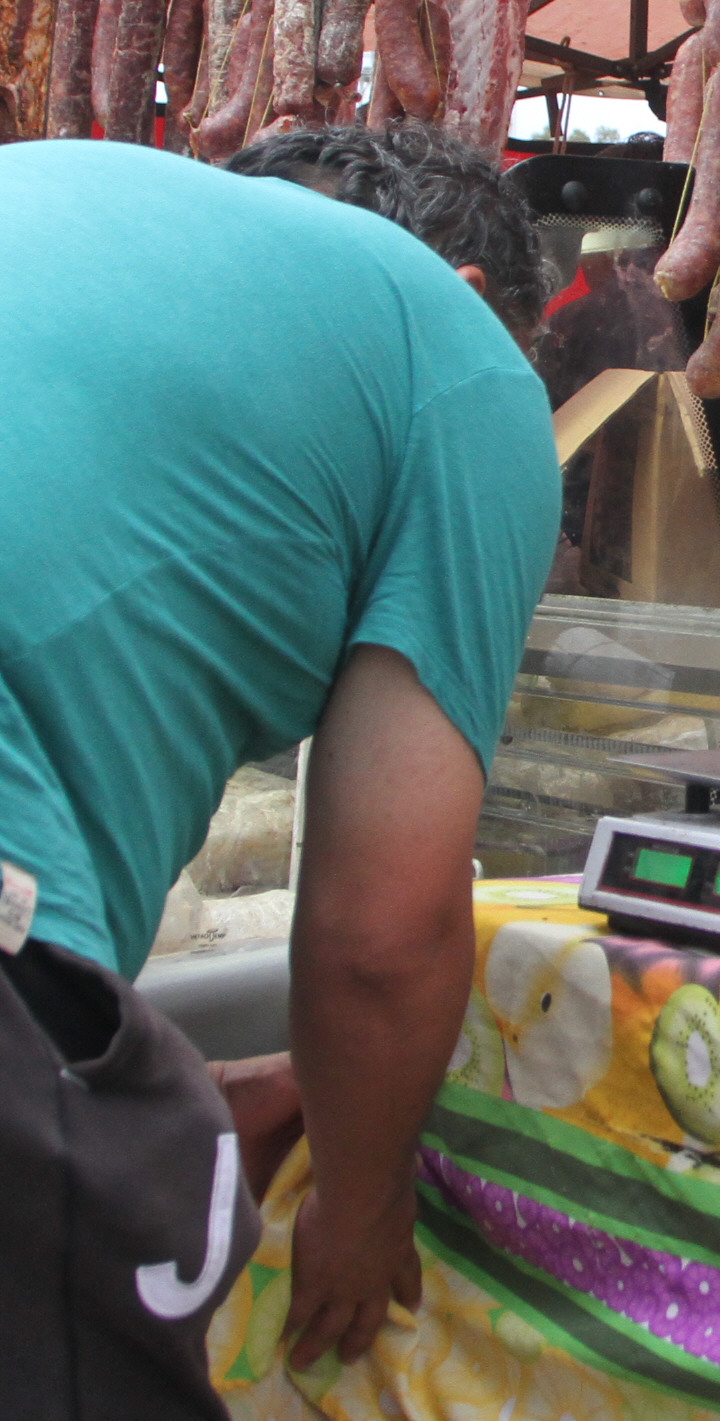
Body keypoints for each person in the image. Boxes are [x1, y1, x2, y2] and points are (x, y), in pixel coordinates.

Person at [0, 124, 562, 1413]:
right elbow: (382, 932)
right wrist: (359, 1207)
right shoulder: (458, 352)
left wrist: (161, 1090)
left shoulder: (77, 192)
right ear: (476, 294)